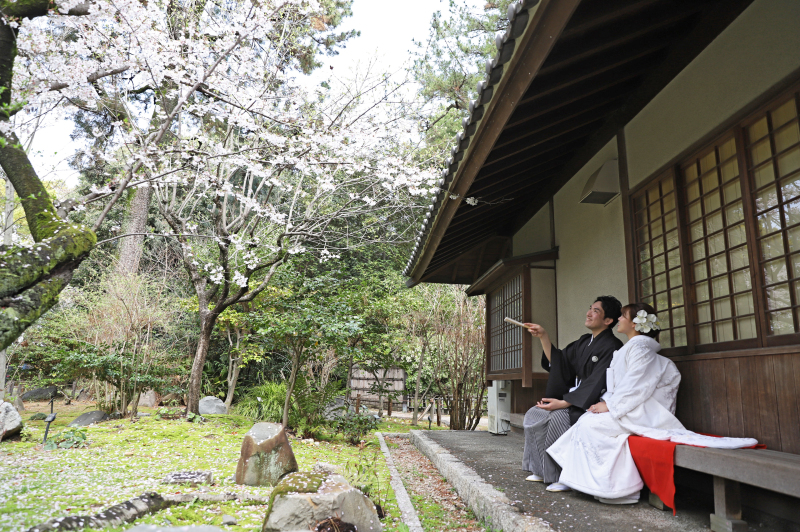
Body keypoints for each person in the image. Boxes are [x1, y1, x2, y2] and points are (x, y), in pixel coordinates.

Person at [546, 303, 758, 504]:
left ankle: (616, 488)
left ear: (635, 324)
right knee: (587, 421)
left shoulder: (640, 349)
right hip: (629, 406)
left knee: (590, 424)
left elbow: (636, 386)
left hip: (642, 412)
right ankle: (579, 479)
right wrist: (606, 403)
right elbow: (623, 386)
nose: (619, 319)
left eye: (623, 316)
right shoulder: (632, 348)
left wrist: (610, 406)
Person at [521, 296, 623, 492]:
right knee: (535, 414)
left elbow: (597, 381)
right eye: (589, 308)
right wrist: (543, 336)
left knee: (558, 417)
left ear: (608, 320)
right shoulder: (584, 341)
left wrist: (565, 402)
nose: (589, 313)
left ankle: (563, 475)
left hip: (595, 401)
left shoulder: (612, 346)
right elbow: (560, 362)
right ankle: (542, 469)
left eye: (596, 311)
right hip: (575, 397)